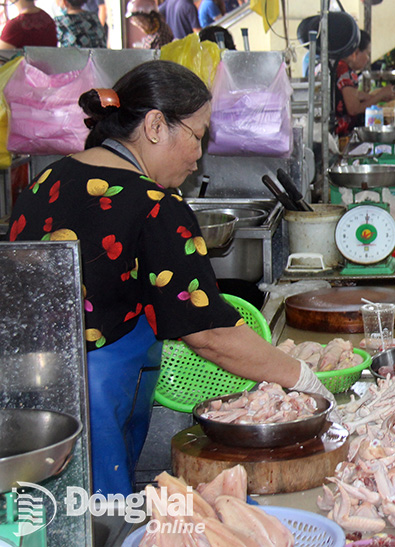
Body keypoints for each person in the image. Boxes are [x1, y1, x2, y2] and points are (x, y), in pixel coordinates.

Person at [6, 60, 335, 496]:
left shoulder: (46, 178)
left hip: (26, 399)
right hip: (93, 409)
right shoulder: (155, 205)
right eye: (198, 136)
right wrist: (301, 378)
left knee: (37, 519)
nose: (199, 155)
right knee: (100, 523)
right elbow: (210, 334)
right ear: (156, 125)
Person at [332, 29, 394, 139]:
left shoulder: (340, 65)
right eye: (367, 54)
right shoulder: (345, 72)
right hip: (341, 136)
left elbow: (354, 95)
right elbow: (354, 108)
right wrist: (381, 94)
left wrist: (376, 97)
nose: (368, 59)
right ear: (355, 53)